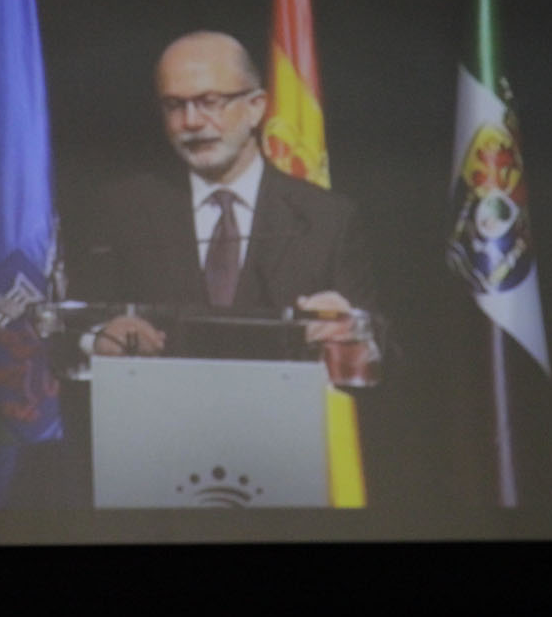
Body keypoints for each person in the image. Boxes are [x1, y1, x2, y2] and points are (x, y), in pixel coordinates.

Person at [81, 31, 376, 366]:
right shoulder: (123, 209)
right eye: (174, 105)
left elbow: (384, 361)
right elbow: (75, 328)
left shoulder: (325, 219)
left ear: (255, 108)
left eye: (209, 102)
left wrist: (352, 337)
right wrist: (100, 338)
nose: (191, 122)